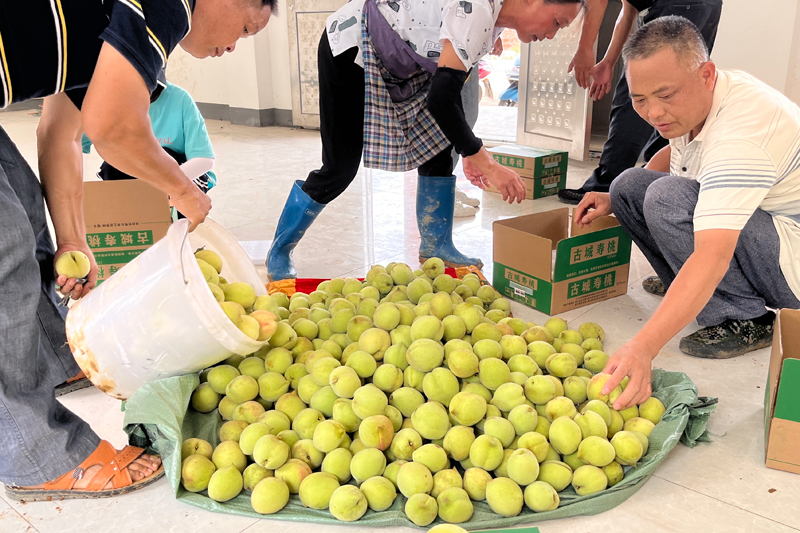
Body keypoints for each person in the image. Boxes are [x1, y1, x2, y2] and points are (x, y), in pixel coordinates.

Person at [0, 0, 273, 500]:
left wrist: (72, 238)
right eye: (247, 27)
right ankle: (36, 453)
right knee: (3, 251)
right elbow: (116, 129)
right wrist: (183, 190)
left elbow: (60, 130)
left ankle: (61, 355)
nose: (234, 45)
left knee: (18, 201)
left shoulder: (108, 33)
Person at [265, 0, 585, 281]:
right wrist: (485, 161)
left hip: (404, 61)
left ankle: (437, 245)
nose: (552, 34)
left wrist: (467, 147)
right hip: (351, 47)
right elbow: (442, 99)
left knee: (440, 144)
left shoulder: (494, 20)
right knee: (340, 168)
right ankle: (280, 250)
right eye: (556, 22)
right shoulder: (478, 9)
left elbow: (446, 94)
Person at [575, 16, 800, 410]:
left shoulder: (742, 132)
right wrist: (614, 198)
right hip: (764, 233)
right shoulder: (697, 100)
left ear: (707, 74)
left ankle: (745, 317)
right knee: (629, 185)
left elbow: (712, 255)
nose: (654, 113)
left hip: (791, 259)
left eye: (664, 95)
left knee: (667, 198)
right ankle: (692, 288)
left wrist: (643, 346)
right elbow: (678, 152)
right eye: (640, 99)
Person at [557, 0, 722, 205]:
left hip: (679, 5)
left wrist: (585, 49)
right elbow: (628, 12)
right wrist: (608, 62)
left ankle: (609, 187)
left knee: (640, 91)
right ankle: (657, 183)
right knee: (678, 87)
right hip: (705, 6)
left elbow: (597, 2)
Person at [82, 75, 218, 217]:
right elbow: (73, 144)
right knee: (113, 166)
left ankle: (174, 227)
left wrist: (159, 189)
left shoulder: (180, 99)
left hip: (182, 173)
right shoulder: (107, 102)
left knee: (162, 156)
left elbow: (204, 159)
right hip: (138, 179)